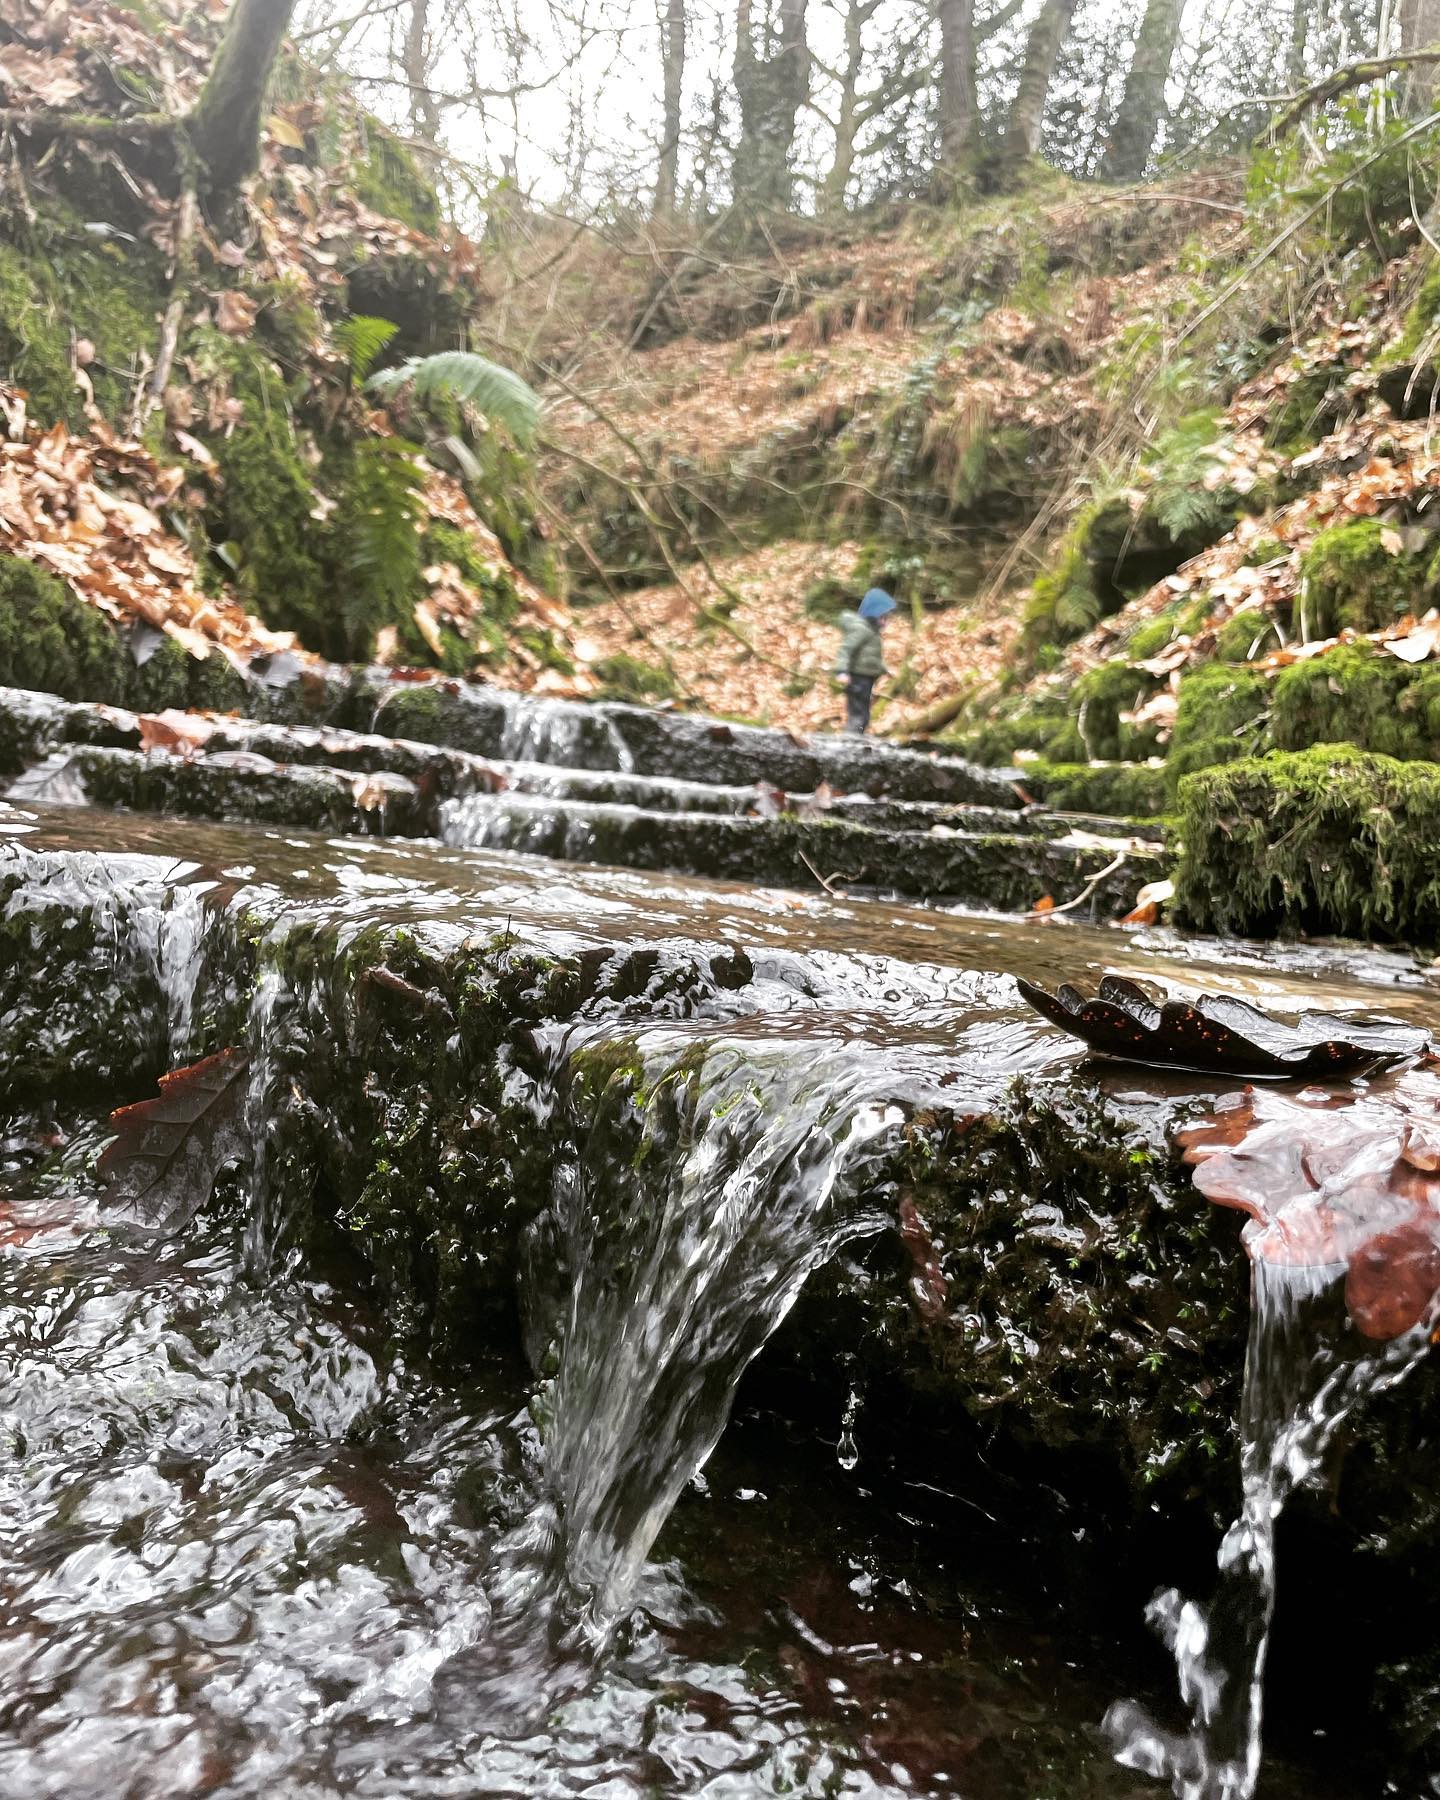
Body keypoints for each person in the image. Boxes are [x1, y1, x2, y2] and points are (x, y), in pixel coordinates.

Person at [833, 587, 897, 735]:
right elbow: (846, 650)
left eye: (887, 618)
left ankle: (857, 738)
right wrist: (841, 671)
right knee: (858, 714)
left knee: (864, 714)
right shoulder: (861, 629)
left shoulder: (872, 632)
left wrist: (885, 669)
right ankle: (850, 740)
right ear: (873, 615)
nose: (886, 622)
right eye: (883, 618)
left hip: (866, 679)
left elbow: (871, 657)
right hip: (857, 678)